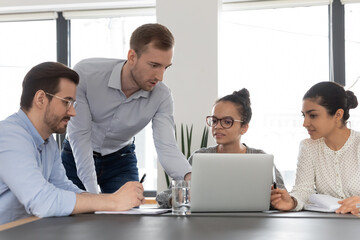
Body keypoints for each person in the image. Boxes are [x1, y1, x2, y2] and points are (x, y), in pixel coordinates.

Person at [0, 62, 145, 225]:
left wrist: (110, 199)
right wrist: (113, 201)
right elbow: (42, 201)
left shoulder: (48, 142)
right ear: (41, 99)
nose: (73, 112)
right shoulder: (9, 135)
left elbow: (63, 187)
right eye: (66, 102)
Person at [61, 23, 191, 194]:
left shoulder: (162, 96)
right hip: (76, 155)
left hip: (120, 159)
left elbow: (167, 147)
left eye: (165, 67)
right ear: (132, 56)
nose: (160, 77)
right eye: (154, 65)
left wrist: (191, 179)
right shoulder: (86, 74)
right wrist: (94, 197)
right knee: (71, 213)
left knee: (128, 216)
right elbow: (81, 136)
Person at [156, 88, 285, 208]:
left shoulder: (260, 159)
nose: (217, 126)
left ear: (244, 128)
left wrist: (275, 199)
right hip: (205, 226)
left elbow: (284, 196)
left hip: (253, 224)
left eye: (227, 122)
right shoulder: (199, 157)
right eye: (214, 120)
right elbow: (163, 197)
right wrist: (176, 199)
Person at [271, 81, 360, 216]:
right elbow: (304, 189)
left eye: (313, 115)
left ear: (338, 115)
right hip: (329, 227)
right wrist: (292, 202)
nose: (305, 123)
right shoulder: (308, 146)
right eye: (304, 115)